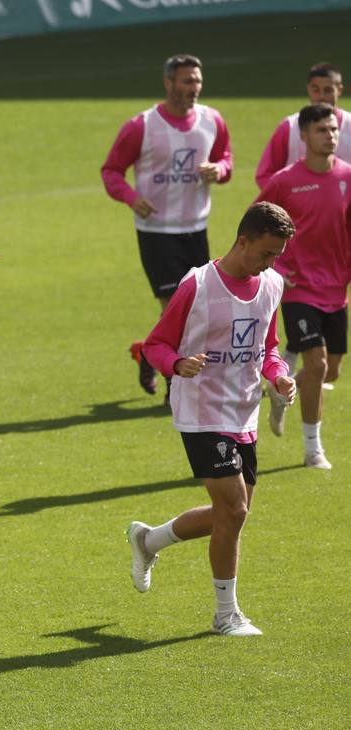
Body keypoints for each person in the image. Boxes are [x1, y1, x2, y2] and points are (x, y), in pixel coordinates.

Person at [129, 202, 297, 637]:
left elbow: (269, 347)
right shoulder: (198, 284)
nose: (271, 262)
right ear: (243, 240)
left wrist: (279, 378)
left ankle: (148, 540)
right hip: (201, 411)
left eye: (277, 255)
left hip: (244, 410)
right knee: (235, 508)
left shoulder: (272, 285)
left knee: (232, 516)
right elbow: (155, 345)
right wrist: (176, 364)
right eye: (265, 253)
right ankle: (226, 615)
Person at [101, 54, 232, 397]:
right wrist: (131, 198)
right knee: (178, 306)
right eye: (187, 81)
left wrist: (219, 170)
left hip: (196, 228)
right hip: (157, 231)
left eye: (197, 81)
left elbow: (226, 159)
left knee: (192, 308)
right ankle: (178, 389)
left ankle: (149, 351)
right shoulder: (141, 126)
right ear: (168, 82)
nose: (194, 88)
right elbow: (111, 171)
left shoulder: (212, 120)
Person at [254, 103, 351, 467]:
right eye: (322, 130)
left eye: (333, 130)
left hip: (335, 288)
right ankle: (313, 449)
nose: (330, 136)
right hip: (298, 287)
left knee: (332, 368)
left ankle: (281, 390)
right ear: (304, 136)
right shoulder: (284, 181)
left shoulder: (347, 176)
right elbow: (254, 225)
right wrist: (274, 269)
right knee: (318, 362)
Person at [255, 63, 349, 189]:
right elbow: (265, 175)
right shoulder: (289, 127)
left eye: (328, 90)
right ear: (308, 89)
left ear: (339, 90)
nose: (321, 96)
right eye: (316, 90)